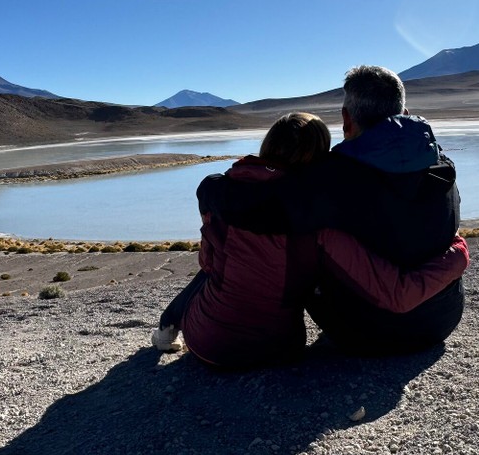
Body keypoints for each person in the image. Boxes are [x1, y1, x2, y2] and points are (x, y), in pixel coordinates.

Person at [152, 111, 468, 368]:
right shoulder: (318, 221)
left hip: (205, 345)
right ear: (318, 157)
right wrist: (457, 253)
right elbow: (395, 292)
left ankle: (167, 326)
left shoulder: (224, 195)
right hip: (280, 350)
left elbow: (207, 263)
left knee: (218, 269)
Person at [197, 66, 463, 354]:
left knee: (306, 236)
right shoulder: (440, 165)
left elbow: (259, 210)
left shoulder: (333, 178)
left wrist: (211, 187)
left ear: (347, 119)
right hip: (443, 320)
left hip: (368, 333)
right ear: (405, 113)